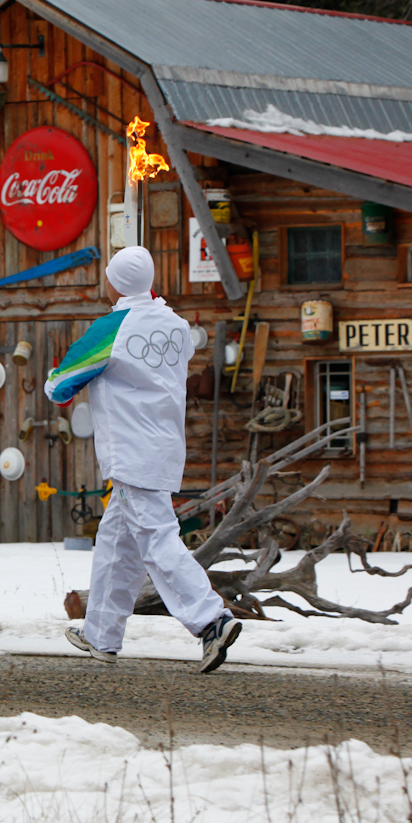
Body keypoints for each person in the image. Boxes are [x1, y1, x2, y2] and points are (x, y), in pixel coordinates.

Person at [44, 246, 241, 673]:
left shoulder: (110, 329)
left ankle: (212, 620)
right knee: (116, 545)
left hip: (129, 453)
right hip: (166, 449)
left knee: (155, 539)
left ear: (114, 281)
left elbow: (60, 385)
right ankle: (101, 634)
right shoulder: (176, 325)